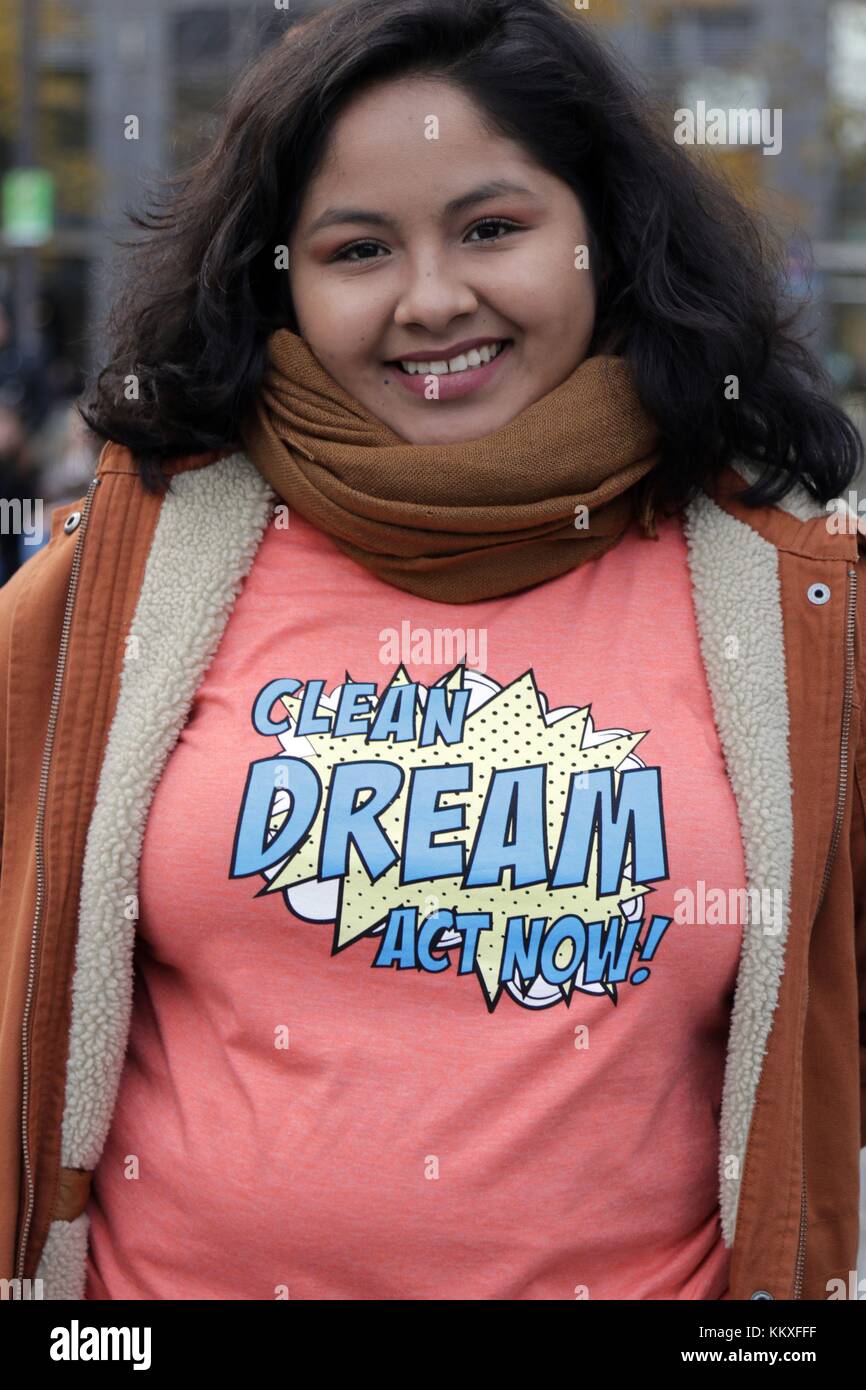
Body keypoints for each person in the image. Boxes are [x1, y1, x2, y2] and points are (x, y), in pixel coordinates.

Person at [1, 0, 864, 1303]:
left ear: (605, 240)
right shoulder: (138, 557)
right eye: (357, 248)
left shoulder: (785, 588)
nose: (432, 298)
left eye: (492, 228)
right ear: (278, 276)